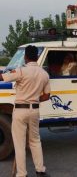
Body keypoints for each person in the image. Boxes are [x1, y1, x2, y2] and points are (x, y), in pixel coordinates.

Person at [0, 45, 51, 177]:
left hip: (20, 111)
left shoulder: (21, 71)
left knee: (19, 143)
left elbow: (2, 78)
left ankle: (22, 174)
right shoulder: (44, 74)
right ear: (37, 57)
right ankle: (40, 170)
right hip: (34, 110)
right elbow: (46, 96)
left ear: (25, 57)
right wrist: (33, 100)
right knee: (35, 141)